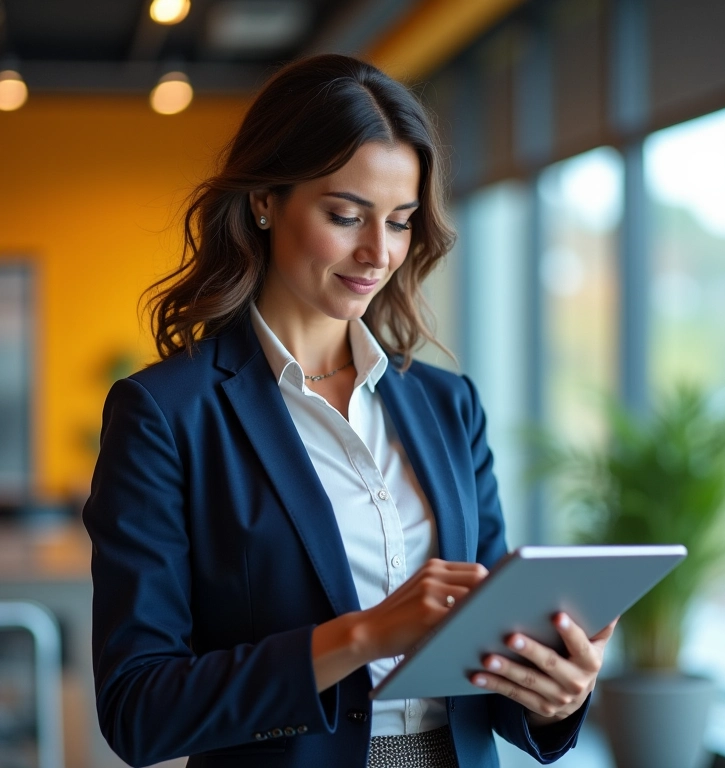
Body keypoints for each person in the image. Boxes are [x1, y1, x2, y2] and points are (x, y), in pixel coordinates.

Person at [82, 54, 615, 768]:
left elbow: (488, 648)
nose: (378, 252)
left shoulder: (446, 403)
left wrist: (555, 695)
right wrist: (361, 636)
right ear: (266, 200)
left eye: (399, 222)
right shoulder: (166, 414)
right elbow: (138, 709)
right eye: (345, 215)